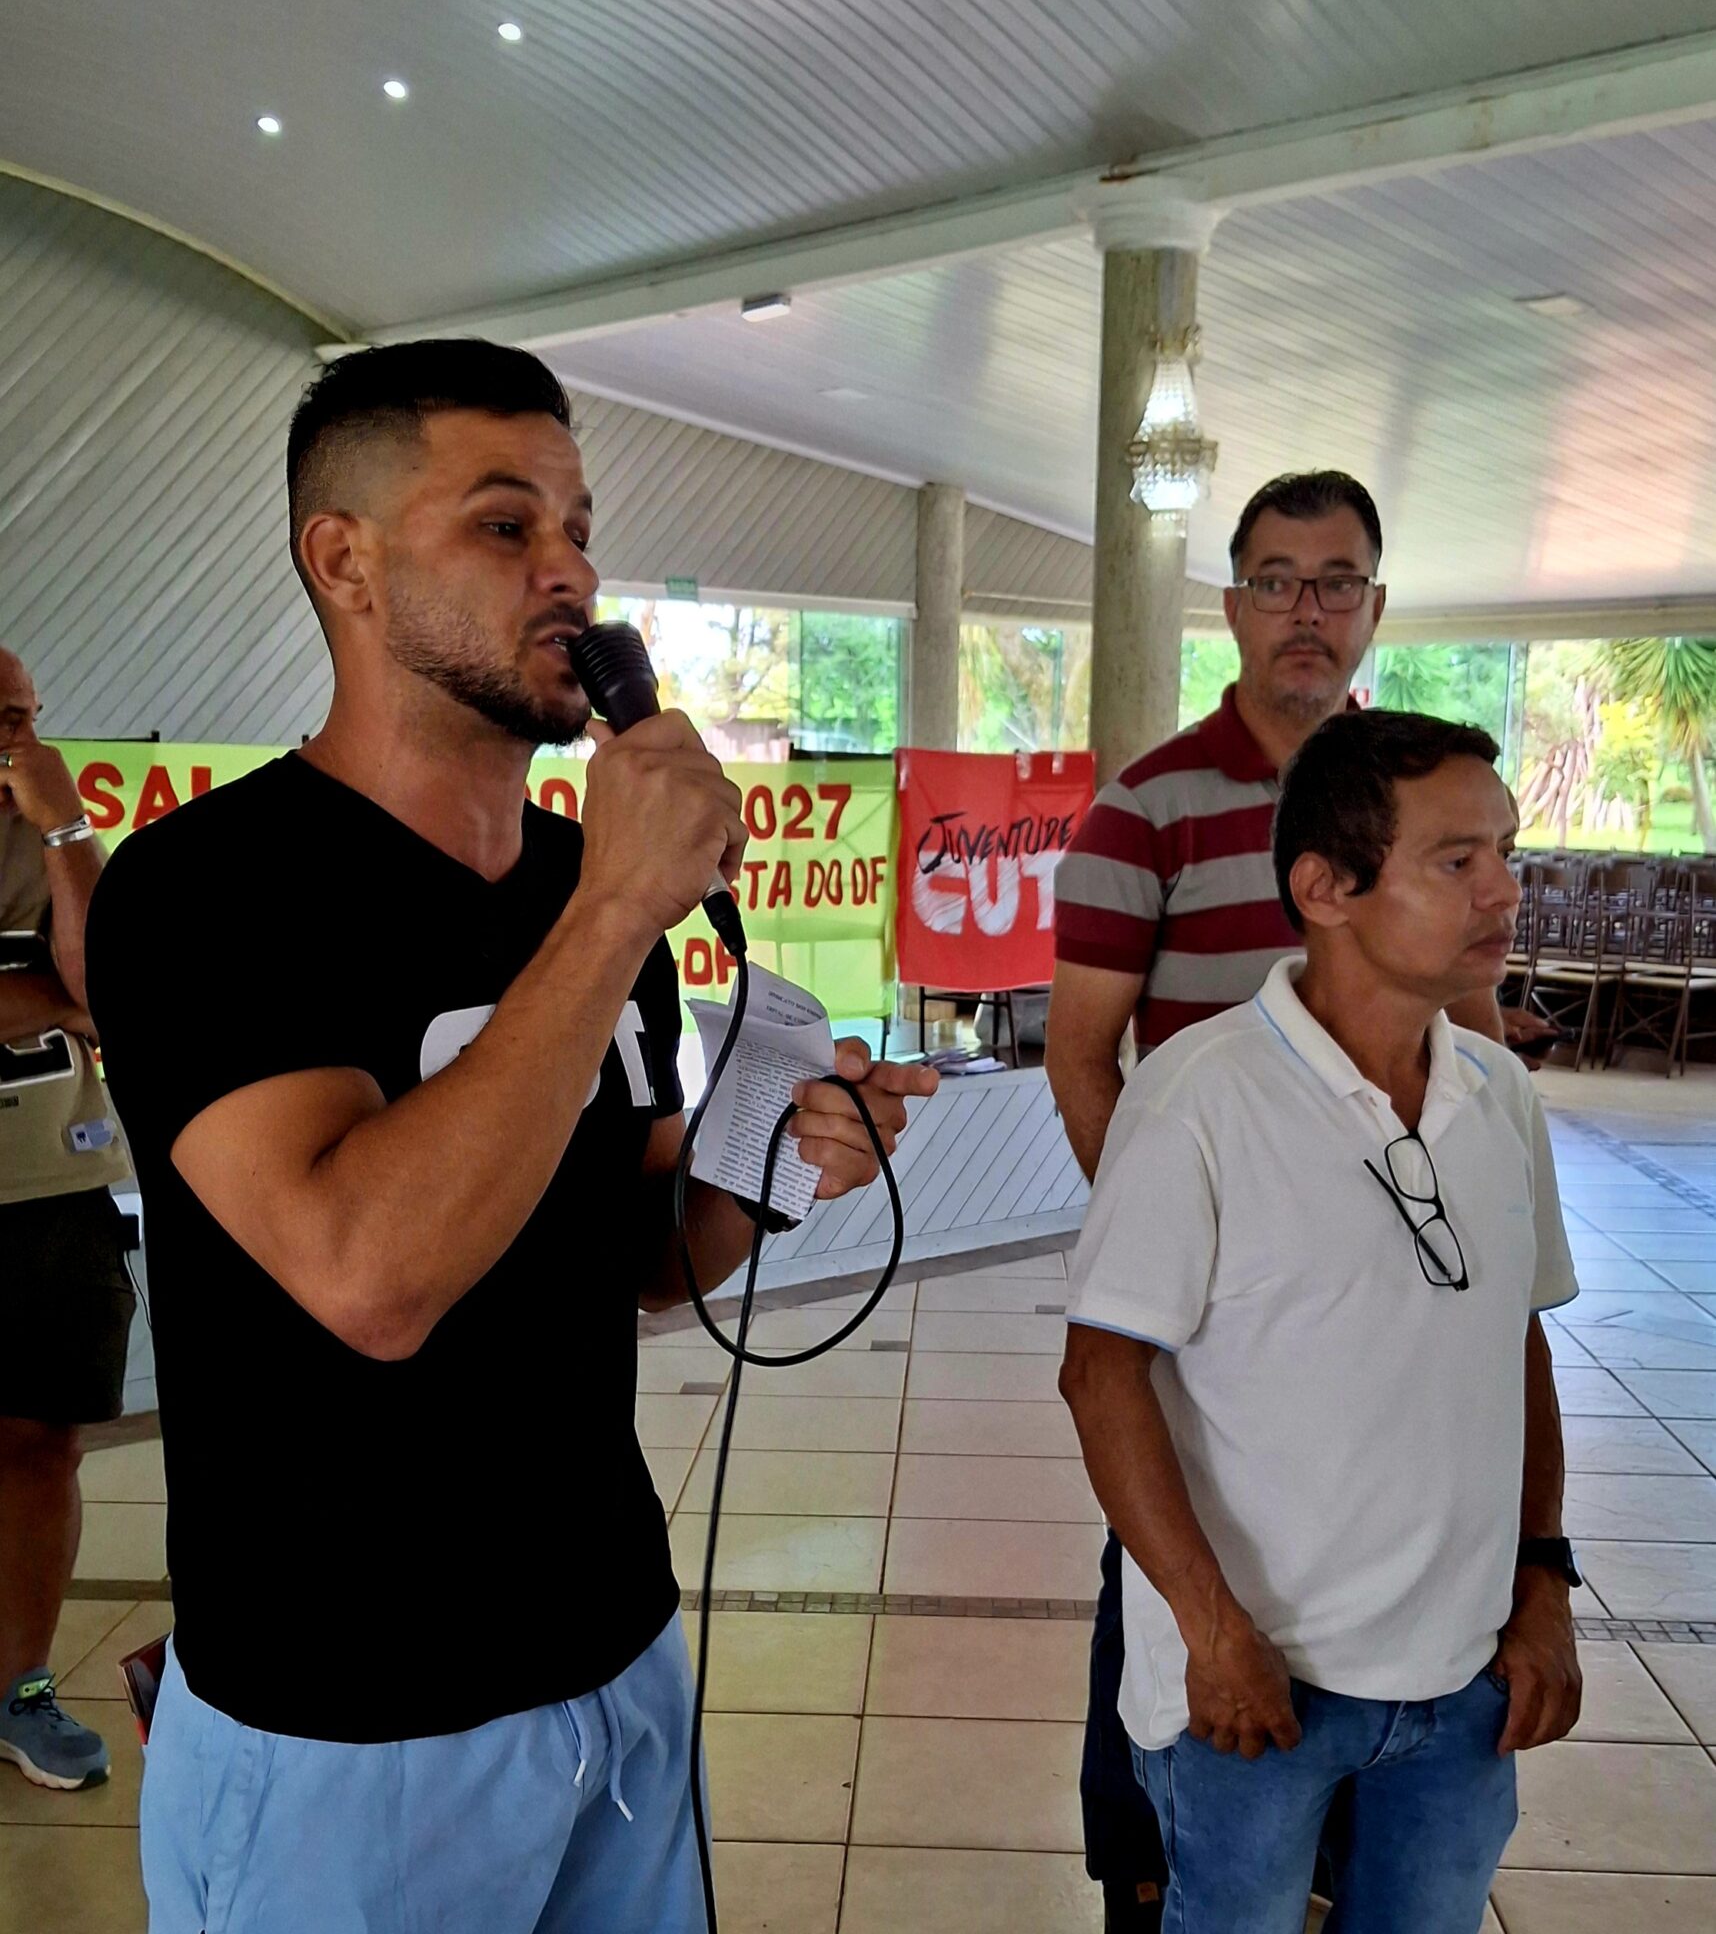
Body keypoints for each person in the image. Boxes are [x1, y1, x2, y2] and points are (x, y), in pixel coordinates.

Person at [84, 338, 937, 1934]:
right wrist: (617, 910)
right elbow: (369, 1277)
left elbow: (643, 1261)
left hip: (614, 1656)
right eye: (504, 525)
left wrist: (771, 1162)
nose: (571, 573)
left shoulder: (580, 890)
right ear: (343, 562)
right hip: (349, 1721)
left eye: (580, 529)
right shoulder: (206, 891)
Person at [1049, 469, 1521, 1928]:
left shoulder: (1427, 788)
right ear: (1235, 603)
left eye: (1337, 581)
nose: (1307, 610)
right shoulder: (1148, 808)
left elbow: (1467, 1042)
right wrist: (1184, 1260)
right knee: (1200, 1725)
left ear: (1375, 604)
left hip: (1379, 1280)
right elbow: (1083, 1055)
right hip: (1218, 1306)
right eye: (1276, 580)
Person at [0, 646, 135, 1793]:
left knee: (43, 1441)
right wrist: (56, 1002)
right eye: (3, 716)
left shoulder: (56, 840)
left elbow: (121, 989)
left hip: (55, 1190)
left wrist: (65, 825)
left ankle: (22, 1686)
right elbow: (76, 999)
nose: (24, 738)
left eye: (32, 714)